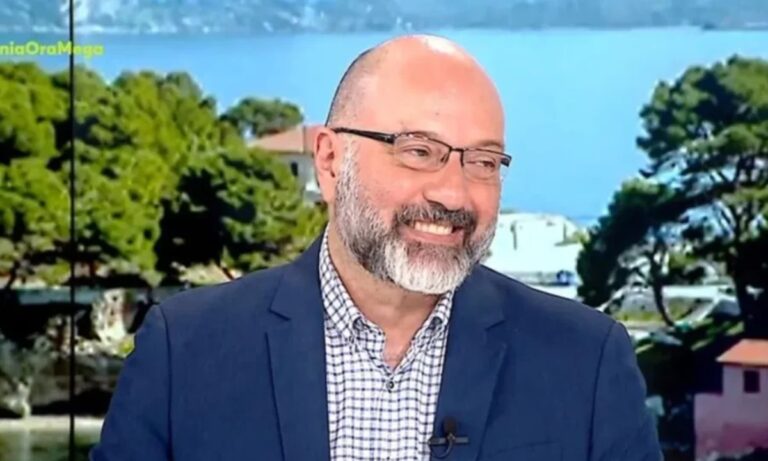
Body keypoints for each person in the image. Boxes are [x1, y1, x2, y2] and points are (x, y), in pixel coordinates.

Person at [90, 34, 662, 461]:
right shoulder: (185, 351)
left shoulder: (586, 361)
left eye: (483, 162)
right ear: (330, 162)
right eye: (418, 151)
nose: (453, 193)